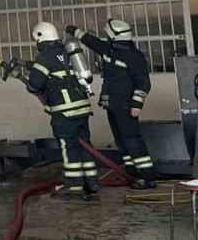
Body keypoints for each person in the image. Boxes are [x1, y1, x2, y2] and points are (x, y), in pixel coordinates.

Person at [67, 19, 157, 189]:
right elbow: (92, 41)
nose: (106, 38)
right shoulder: (109, 49)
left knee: (132, 141)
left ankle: (148, 177)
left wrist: (136, 105)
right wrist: (73, 30)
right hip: (113, 105)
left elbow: (143, 83)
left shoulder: (134, 57)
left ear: (115, 36)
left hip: (126, 106)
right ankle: (132, 174)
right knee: (122, 142)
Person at [26, 21, 99, 198]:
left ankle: (74, 185)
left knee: (69, 146)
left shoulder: (44, 58)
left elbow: (35, 85)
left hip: (65, 112)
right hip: (82, 107)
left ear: (40, 39)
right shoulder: (67, 51)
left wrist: (31, 83)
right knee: (85, 145)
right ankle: (91, 182)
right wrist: (28, 65)